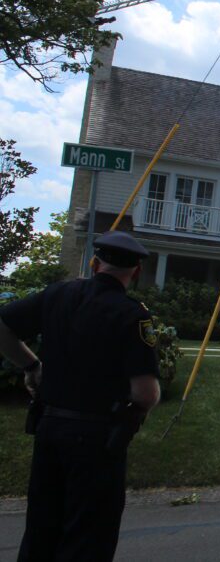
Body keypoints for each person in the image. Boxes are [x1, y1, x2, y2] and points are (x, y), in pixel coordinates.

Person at [0, 230, 160, 561]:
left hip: (49, 430)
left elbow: (3, 327)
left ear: (94, 263)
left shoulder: (57, 295)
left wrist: (31, 365)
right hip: (97, 442)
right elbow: (145, 393)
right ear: (136, 272)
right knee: (87, 536)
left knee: (42, 527)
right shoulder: (132, 315)